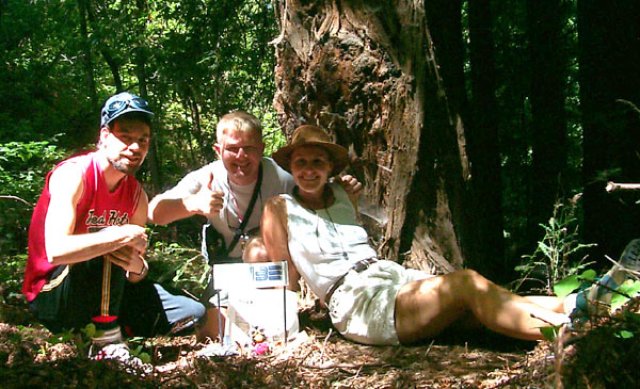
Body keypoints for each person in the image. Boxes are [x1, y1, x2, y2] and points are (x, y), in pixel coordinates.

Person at [261, 124, 626, 346]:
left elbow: (350, 237)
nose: (309, 171)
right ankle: (574, 329)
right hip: (357, 303)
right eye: (301, 163)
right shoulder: (279, 208)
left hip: (390, 278)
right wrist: (283, 326)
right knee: (466, 284)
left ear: (329, 167)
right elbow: (284, 275)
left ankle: (591, 302)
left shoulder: (343, 194)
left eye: (317, 162)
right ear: (291, 168)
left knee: (484, 302)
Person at [22, 92, 205, 365]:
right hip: (53, 292)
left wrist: (137, 267)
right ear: (104, 136)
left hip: (106, 291)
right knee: (108, 243)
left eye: (142, 140)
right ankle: (105, 342)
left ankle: (112, 329)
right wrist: (114, 235)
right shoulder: (74, 176)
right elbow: (56, 251)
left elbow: (135, 272)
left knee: (192, 312)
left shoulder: (136, 195)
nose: (135, 147)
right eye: (125, 137)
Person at [147, 111, 361, 341]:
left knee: (258, 252)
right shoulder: (207, 177)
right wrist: (192, 204)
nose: (241, 156)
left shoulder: (280, 177)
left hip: (270, 267)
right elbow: (154, 212)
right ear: (218, 150)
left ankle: (281, 319)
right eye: (232, 148)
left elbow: (315, 190)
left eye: (249, 148)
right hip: (228, 272)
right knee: (212, 330)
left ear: (262, 148)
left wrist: (341, 190)